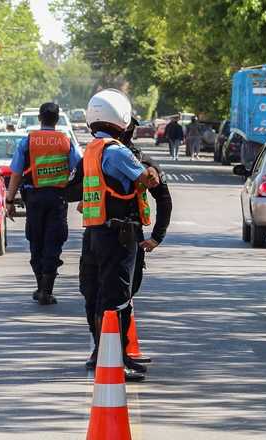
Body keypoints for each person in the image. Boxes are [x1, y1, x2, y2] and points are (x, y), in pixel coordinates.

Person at [66, 89, 159, 382]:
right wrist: (151, 171)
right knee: (117, 300)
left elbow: (73, 189)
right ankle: (116, 361)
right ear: (120, 116)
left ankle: (101, 355)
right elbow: (146, 179)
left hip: (94, 234)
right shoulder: (117, 151)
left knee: (94, 295)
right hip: (119, 236)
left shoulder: (92, 149)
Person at [5, 102, 82, 306]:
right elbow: (80, 169)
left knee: (36, 241)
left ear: (40, 118)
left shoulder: (28, 141)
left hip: (35, 200)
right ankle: (46, 290)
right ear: (57, 120)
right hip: (57, 199)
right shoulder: (65, 141)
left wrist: (9, 200)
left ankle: (41, 286)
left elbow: (16, 173)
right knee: (53, 243)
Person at [118, 118, 173, 364]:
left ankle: (117, 353)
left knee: (122, 297)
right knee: (105, 297)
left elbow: (164, 198)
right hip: (104, 239)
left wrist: (156, 237)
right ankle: (105, 352)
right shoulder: (97, 155)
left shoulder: (141, 163)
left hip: (126, 238)